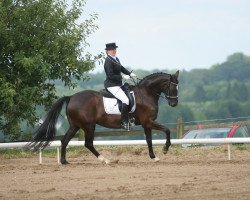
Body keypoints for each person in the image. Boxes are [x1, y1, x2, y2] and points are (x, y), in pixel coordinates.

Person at [104, 42, 136, 129]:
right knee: (125, 100)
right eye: (112, 50)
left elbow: (121, 68)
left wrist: (130, 73)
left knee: (131, 94)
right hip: (111, 85)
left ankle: (130, 117)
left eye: (115, 49)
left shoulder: (116, 59)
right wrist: (122, 76)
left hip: (118, 84)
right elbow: (110, 75)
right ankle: (124, 122)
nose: (114, 51)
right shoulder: (108, 61)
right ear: (107, 51)